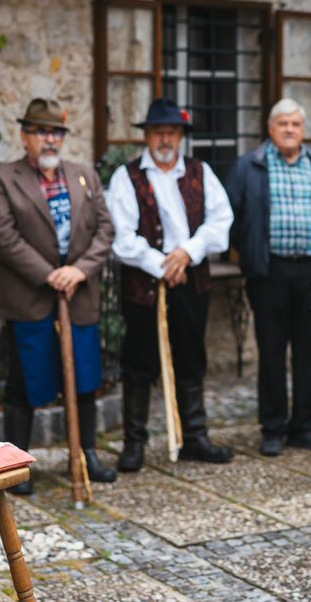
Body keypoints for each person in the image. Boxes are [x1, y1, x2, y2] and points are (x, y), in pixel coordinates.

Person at [0, 98, 117, 493]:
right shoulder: (4, 177)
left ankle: (86, 454)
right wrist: (48, 275)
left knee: (85, 377)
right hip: (30, 297)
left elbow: (105, 230)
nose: (50, 139)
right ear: (25, 136)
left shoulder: (83, 175)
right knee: (25, 381)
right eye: (41, 132)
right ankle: (16, 465)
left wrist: (79, 270)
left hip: (79, 294)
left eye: (56, 132)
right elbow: (2, 236)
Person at [106, 98, 234, 471]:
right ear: (147, 136)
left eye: (172, 132)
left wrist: (187, 253)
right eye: (158, 132)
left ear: (181, 137)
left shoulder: (200, 172)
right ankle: (134, 443)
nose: (165, 139)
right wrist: (162, 265)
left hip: (190, 280)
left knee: (191, 358)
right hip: (144, 284)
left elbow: (221, 222)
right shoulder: (127, 176)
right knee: (139, 363)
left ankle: (194, 436)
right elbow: (122, 237)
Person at [226, 98, 311, 457]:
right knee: (272, 352)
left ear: (303, 130)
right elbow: (233, 218)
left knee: (308, 352)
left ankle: (305, 427)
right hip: (269, 271)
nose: (289, 129)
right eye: (283, 124)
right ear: (270, 129)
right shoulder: (249, 166)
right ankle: (272, 428)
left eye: (295, 124)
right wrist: (248, 256)